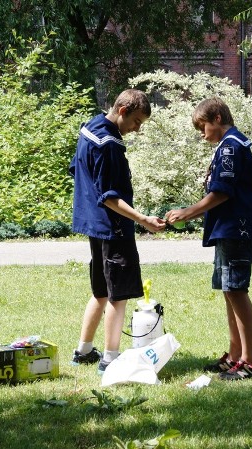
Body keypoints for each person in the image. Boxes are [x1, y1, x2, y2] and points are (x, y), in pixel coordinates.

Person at [165, 97, 252, 380]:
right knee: (229, 291)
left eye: (203, 126)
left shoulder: (231, 147)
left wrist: (188, 212)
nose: (202, 133)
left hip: (237, 229)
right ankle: (235, 355)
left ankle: (250, 361)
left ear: (217, 118)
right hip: (228, 229)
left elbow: (222, 192)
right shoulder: (227, 145)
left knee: (237, 291)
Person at [68, 89, 165, 374]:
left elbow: (77, 170)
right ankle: (110, 358)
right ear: (122, 111)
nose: (136, 129)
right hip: (113, 228)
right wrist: (143, 219)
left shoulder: (90, 128)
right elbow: (109, 197)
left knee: (100, 290)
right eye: (136, 121)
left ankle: (83, 351)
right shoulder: (109, 144)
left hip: (93, 225)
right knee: (117, 295)